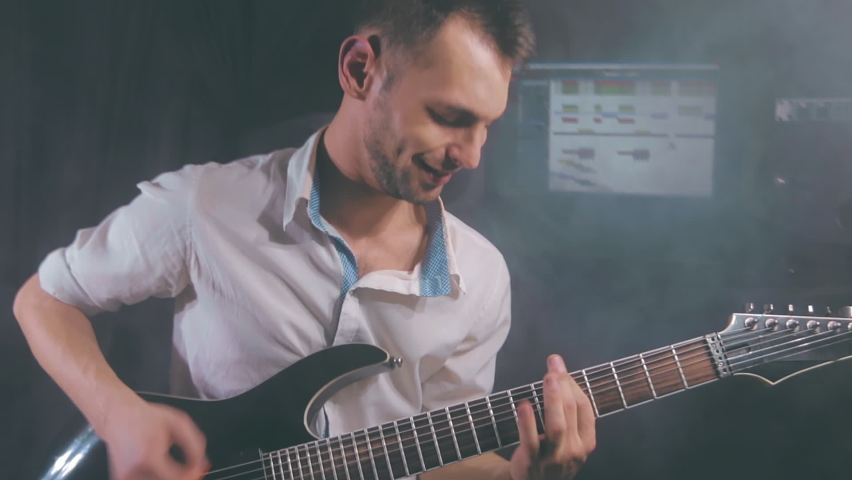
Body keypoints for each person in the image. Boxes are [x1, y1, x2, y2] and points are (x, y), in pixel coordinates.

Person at [13, 1, 597, 479]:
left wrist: (521, 476)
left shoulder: (482, 277)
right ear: (360, 70)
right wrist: (118, 417)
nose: (471, 156)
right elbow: (44, 299)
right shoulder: (206, 207)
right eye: (449, 116)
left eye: (486, 126)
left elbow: (440, 453)